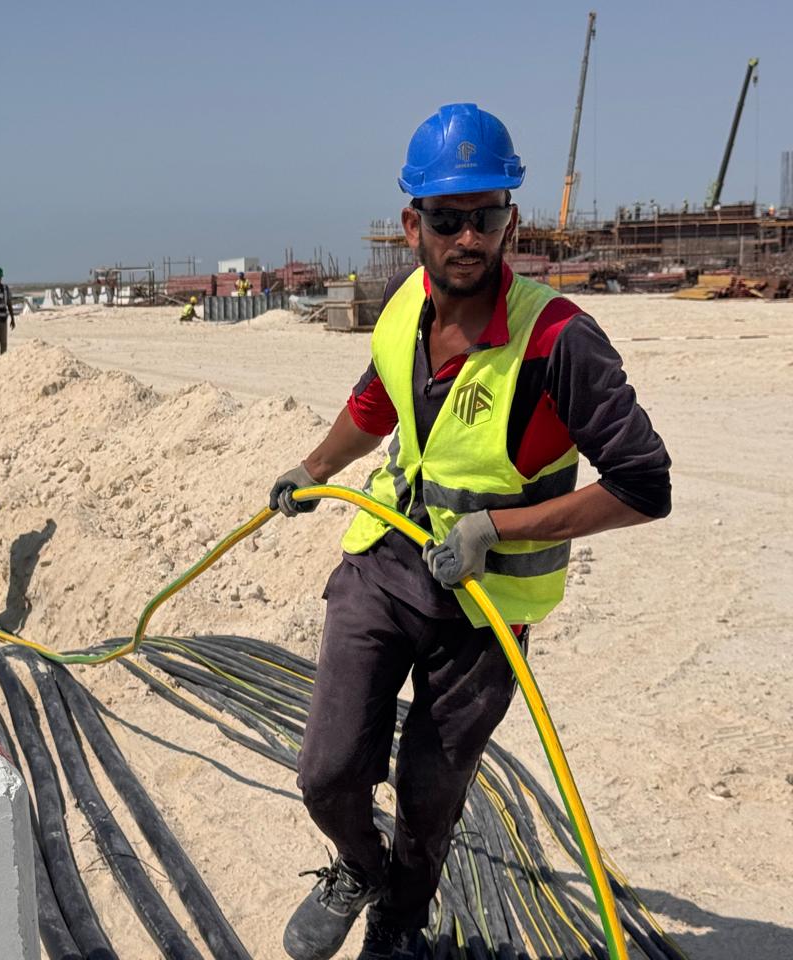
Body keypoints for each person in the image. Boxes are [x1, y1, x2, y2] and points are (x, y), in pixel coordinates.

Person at [271, 102, 672, 960]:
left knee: (430, 789)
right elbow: (377, 403)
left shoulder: (559, 341)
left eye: (485, 216)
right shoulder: (404, 304)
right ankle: (357, 868)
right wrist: (312, 470)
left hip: (488, 603)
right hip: (385, 563)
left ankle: (402, 916)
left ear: (510, 220)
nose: (467, 238)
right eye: (447, 218)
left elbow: (645, 485)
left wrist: (498, 526)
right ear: (411, 221)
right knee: (329, 772)